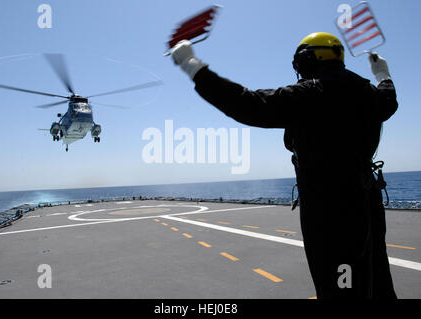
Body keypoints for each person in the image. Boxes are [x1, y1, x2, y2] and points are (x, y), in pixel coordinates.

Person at [170, 32, 398, 299]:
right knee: (377, 279)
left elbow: (247, 104)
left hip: (331, 212)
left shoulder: (311, 94)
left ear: (307, 60)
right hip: (366, 201)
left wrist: (191, 65)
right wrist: (383, 73)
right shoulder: (369, 92)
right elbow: (389, 98)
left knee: (341, 287)